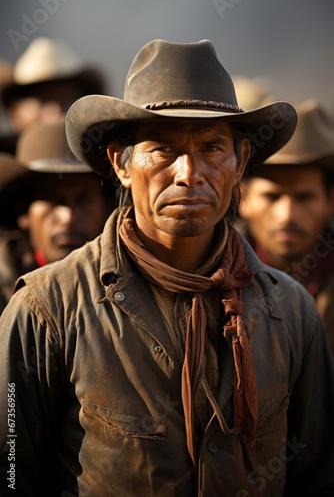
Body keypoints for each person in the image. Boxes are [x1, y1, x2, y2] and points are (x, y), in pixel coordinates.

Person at [0, 39, 333, 496]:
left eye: (213, 148)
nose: (188, 173)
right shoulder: (46, 308)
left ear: (241, 163)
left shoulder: (291, 312)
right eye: (163, 149)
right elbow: (12, 471)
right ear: (120, 162)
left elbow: (316, 474)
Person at [238, 99, 334, 355]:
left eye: (304, 197)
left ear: (330, 201)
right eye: (272, 197)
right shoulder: (212, 278)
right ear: (242, 199)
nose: (287, 215)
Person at [0, 116, 116, 313]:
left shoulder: (131, 286)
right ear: (23, 211)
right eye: (52, 200)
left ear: (107, 209)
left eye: (83, 199)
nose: (68, 217)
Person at [0, 37, 106, 154]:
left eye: (67, 99)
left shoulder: (108, 159)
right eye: (43, 100)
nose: (58, 112)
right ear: (16, 113)